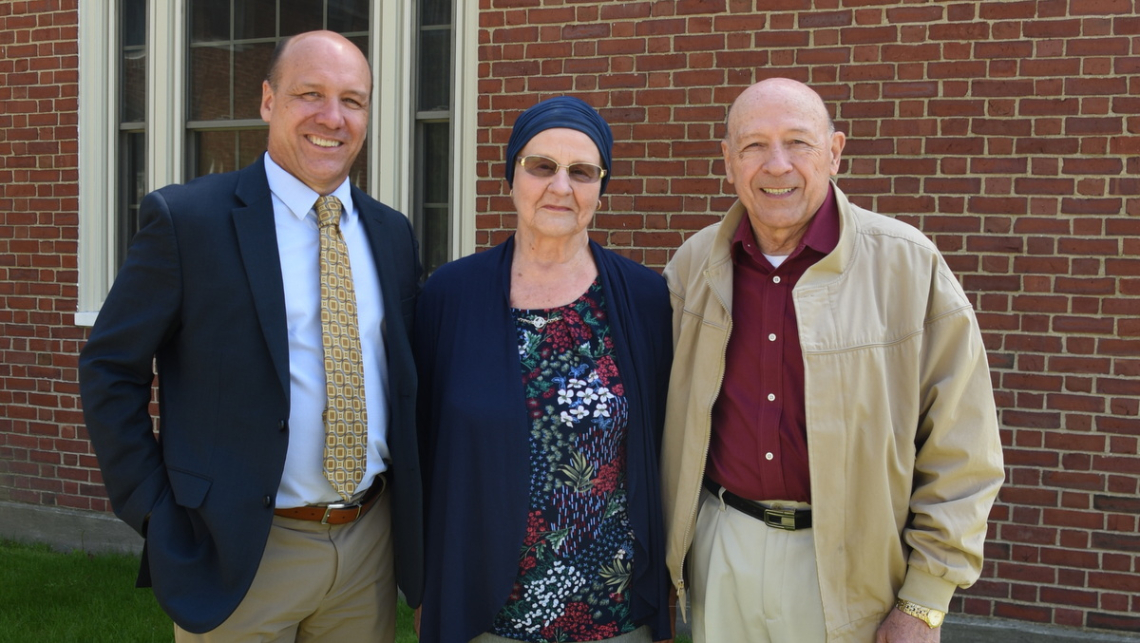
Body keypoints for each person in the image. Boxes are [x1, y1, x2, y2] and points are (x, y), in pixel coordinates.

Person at [78, 31, 422, 641]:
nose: (332, 118)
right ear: (268, 100)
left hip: (368, 544)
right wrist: (157, 515)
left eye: (353, 100)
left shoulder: (391, 235)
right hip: (240, 549)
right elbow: (109, 368)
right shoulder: (188, 223)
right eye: (309, 94)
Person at [661, 77, 1004, 643]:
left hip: (850, 569)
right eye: (753, 146)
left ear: (835, 153)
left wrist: (925, 602)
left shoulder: (908, 266)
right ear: (727, 161)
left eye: (799, 142)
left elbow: (964, 448)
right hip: (721, 547)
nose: (777, 165)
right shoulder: (694, 266)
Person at [414, 96, 673, 643]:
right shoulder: (449, 296)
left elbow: (664, 445)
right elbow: (423, 448)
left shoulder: (645, 300)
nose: (561, 186)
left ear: (601, 187)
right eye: (542, 166)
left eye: (582, 171)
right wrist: (424, 585)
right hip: (485, 609)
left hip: (614, 612)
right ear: (512, 177)